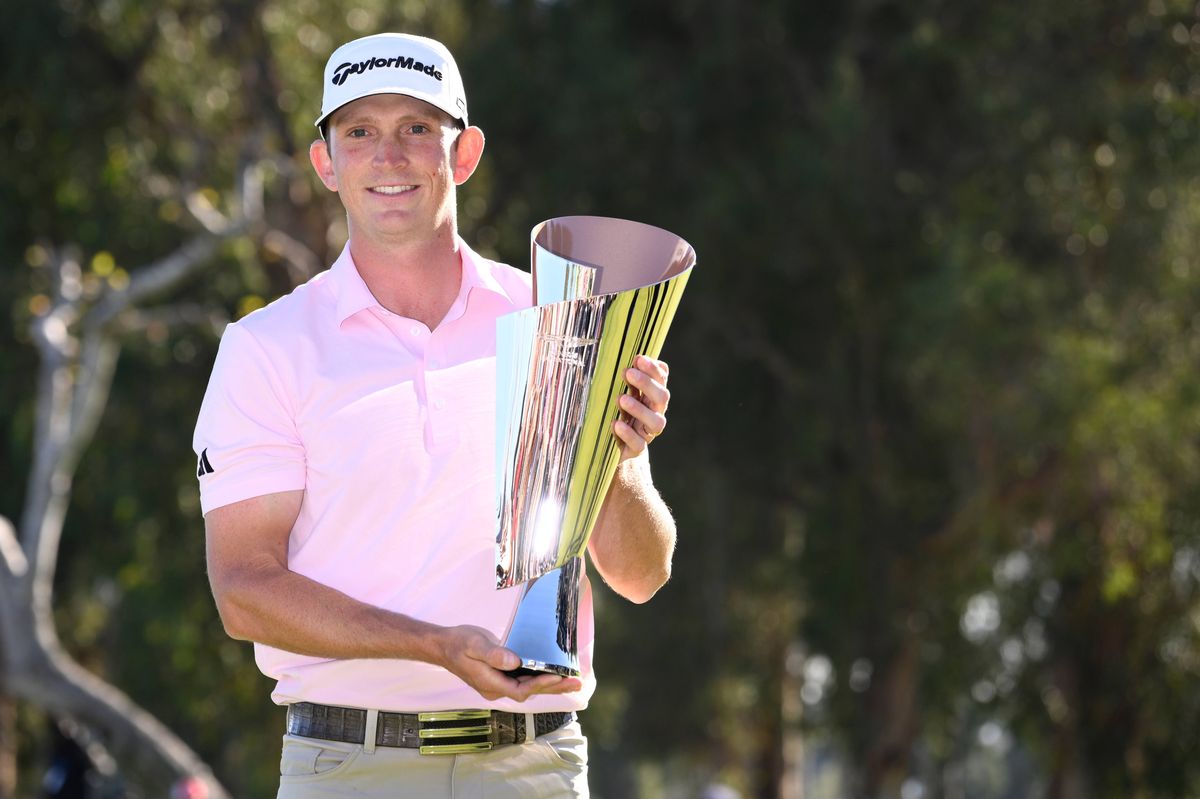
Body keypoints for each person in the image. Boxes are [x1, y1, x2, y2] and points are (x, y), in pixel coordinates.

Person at [192, 32, 676, 798]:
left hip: (536, 766)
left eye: (418, 128)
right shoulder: (266, 348)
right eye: (360, 132)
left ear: (466, 152)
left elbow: (642, 573)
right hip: (347, 765)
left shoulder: (560, 318)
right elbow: (245, 588)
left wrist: (613, 459)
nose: (390, 156)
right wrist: (433, 646)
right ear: (326, 162)